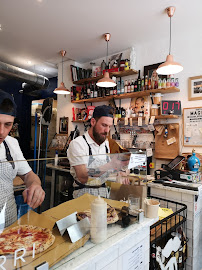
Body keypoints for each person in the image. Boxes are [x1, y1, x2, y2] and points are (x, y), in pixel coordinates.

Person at [0, 90, 45, 227]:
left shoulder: (11, 144)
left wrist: (35, 185)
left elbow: (29, 175)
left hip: (10, 224)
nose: (1, 131)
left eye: (7, 125)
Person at [67, 105, 130, 199]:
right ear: (93, 122)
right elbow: (83, 177)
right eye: (104, 125)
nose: (107, 131)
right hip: (83, 195)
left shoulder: (105, 143)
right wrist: (111, 164)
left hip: (104, 194)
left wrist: (119, 172)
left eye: (109, 126)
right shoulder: (78, 144)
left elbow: (105, 170)